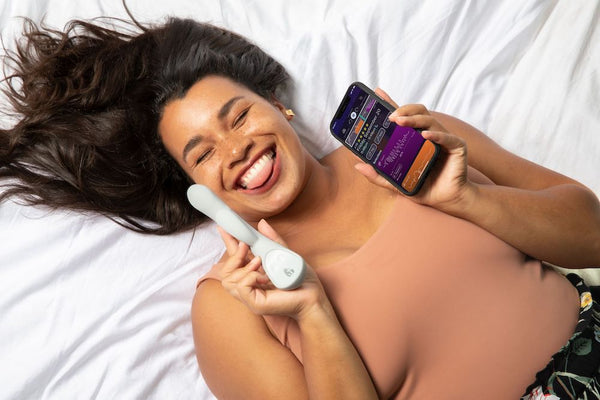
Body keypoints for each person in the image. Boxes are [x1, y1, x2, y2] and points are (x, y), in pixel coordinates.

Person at [2, 16, 600, 400]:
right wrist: (313, 311)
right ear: (195, 190)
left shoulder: (415, 145)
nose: (237, 150)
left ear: (278, 106)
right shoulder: (230, 305)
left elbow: (592, 234)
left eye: (238, 116)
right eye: (202, 153)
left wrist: (470, 199)